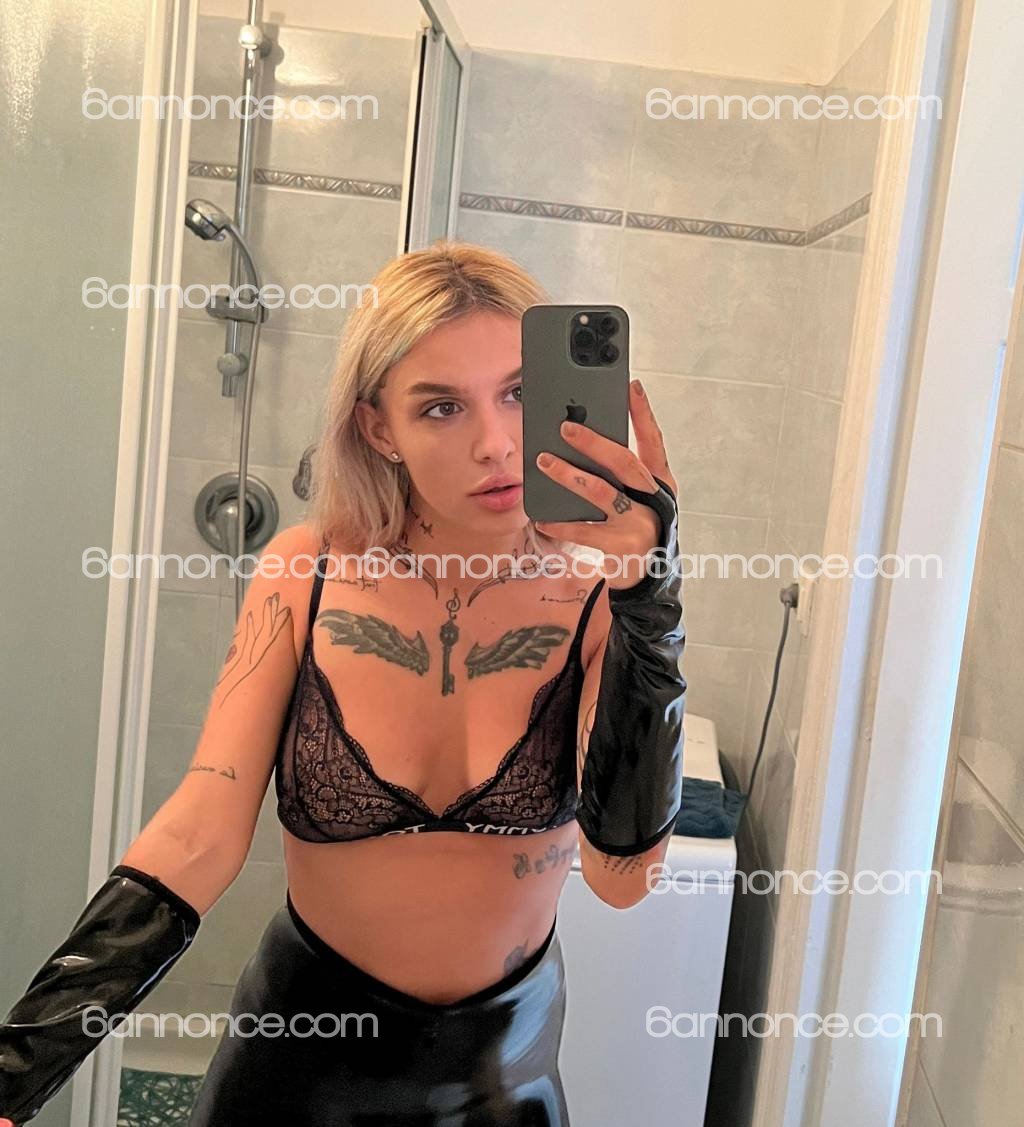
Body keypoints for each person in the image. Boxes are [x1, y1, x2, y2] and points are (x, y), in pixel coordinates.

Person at [0, 241, 687, 1125]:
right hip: (295, 1068)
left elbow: (622, 876)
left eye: (519, 393)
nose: (494, 443)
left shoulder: (598, 601)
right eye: (441, 406)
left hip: (502, 1081)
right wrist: (18, 1067)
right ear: (377, 428)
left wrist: (650, 601)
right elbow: (201, 832)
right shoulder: (307, 572)